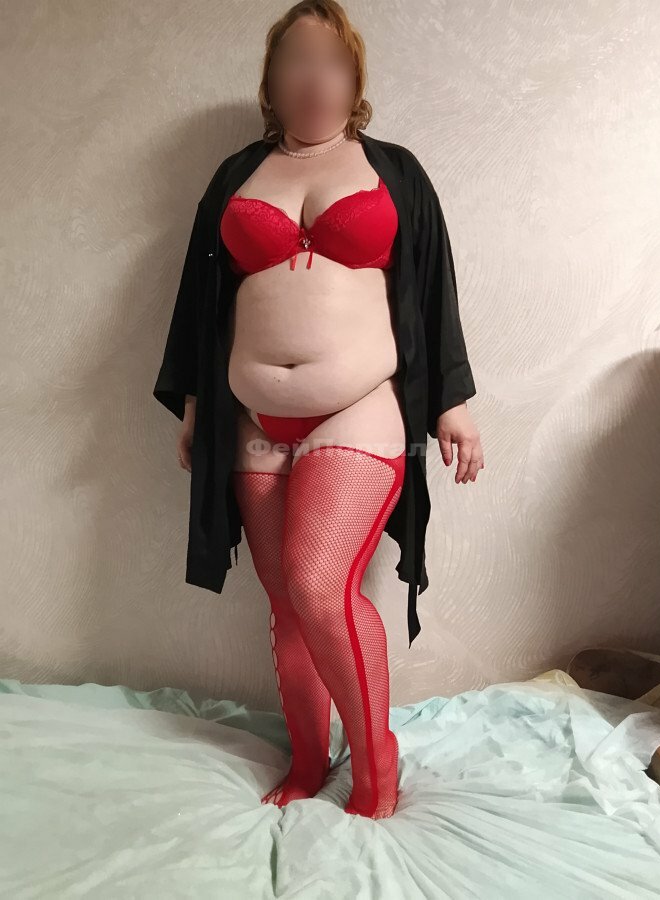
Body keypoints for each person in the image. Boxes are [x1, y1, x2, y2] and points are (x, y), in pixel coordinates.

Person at [154, 0, 484, 820]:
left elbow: (433, 284)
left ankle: (376, 762)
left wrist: (452, 400)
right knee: (286, 605)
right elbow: (201, 295)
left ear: (354, 78)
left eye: (331, 61)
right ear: (270, 82)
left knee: (315, 580)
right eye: (296, 61)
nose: (314, 77)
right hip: (252, 420)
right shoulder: (236, 174)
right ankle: (308, 759)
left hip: (358, 408)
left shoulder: (393, 170)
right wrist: (194, 404)